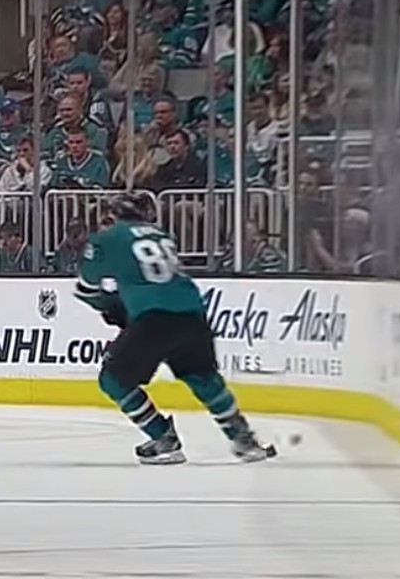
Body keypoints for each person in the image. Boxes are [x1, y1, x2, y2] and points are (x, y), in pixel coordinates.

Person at [77, 192, 276, 465]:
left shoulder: (108, 238)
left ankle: (163, 438)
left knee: (113, 379)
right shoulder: (161, 235)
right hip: (192, 312)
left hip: (153, 319)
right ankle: (245, 441)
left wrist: (111, 306)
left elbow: (87, 288)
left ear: (113, 217)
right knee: (204, 378)